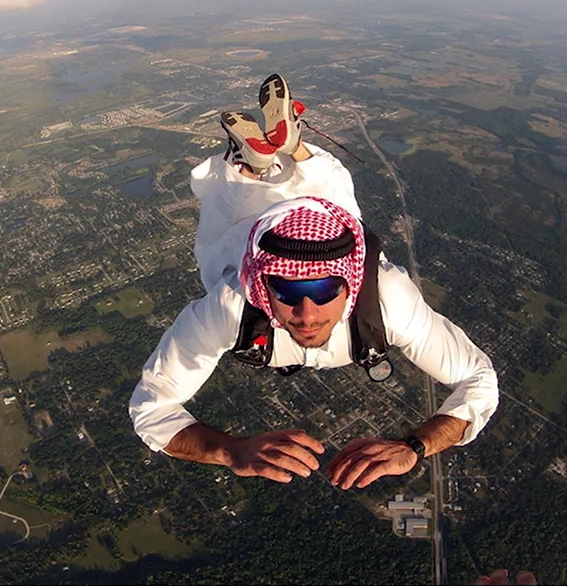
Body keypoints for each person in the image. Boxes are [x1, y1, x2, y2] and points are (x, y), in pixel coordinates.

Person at [129, 74, 499, 489]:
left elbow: (151, 409)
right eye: (287, 291)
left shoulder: (385, 298)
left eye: (324, 291)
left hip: (270, 242)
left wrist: (415, 447)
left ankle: (254, 165)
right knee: (251, 231)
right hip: (259, 243)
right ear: (261, 286)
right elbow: (149, 409)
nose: (307, 315)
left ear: (353, 283)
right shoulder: (234, 302)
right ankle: (289, 151)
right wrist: (230, 451)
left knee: (235, 222)